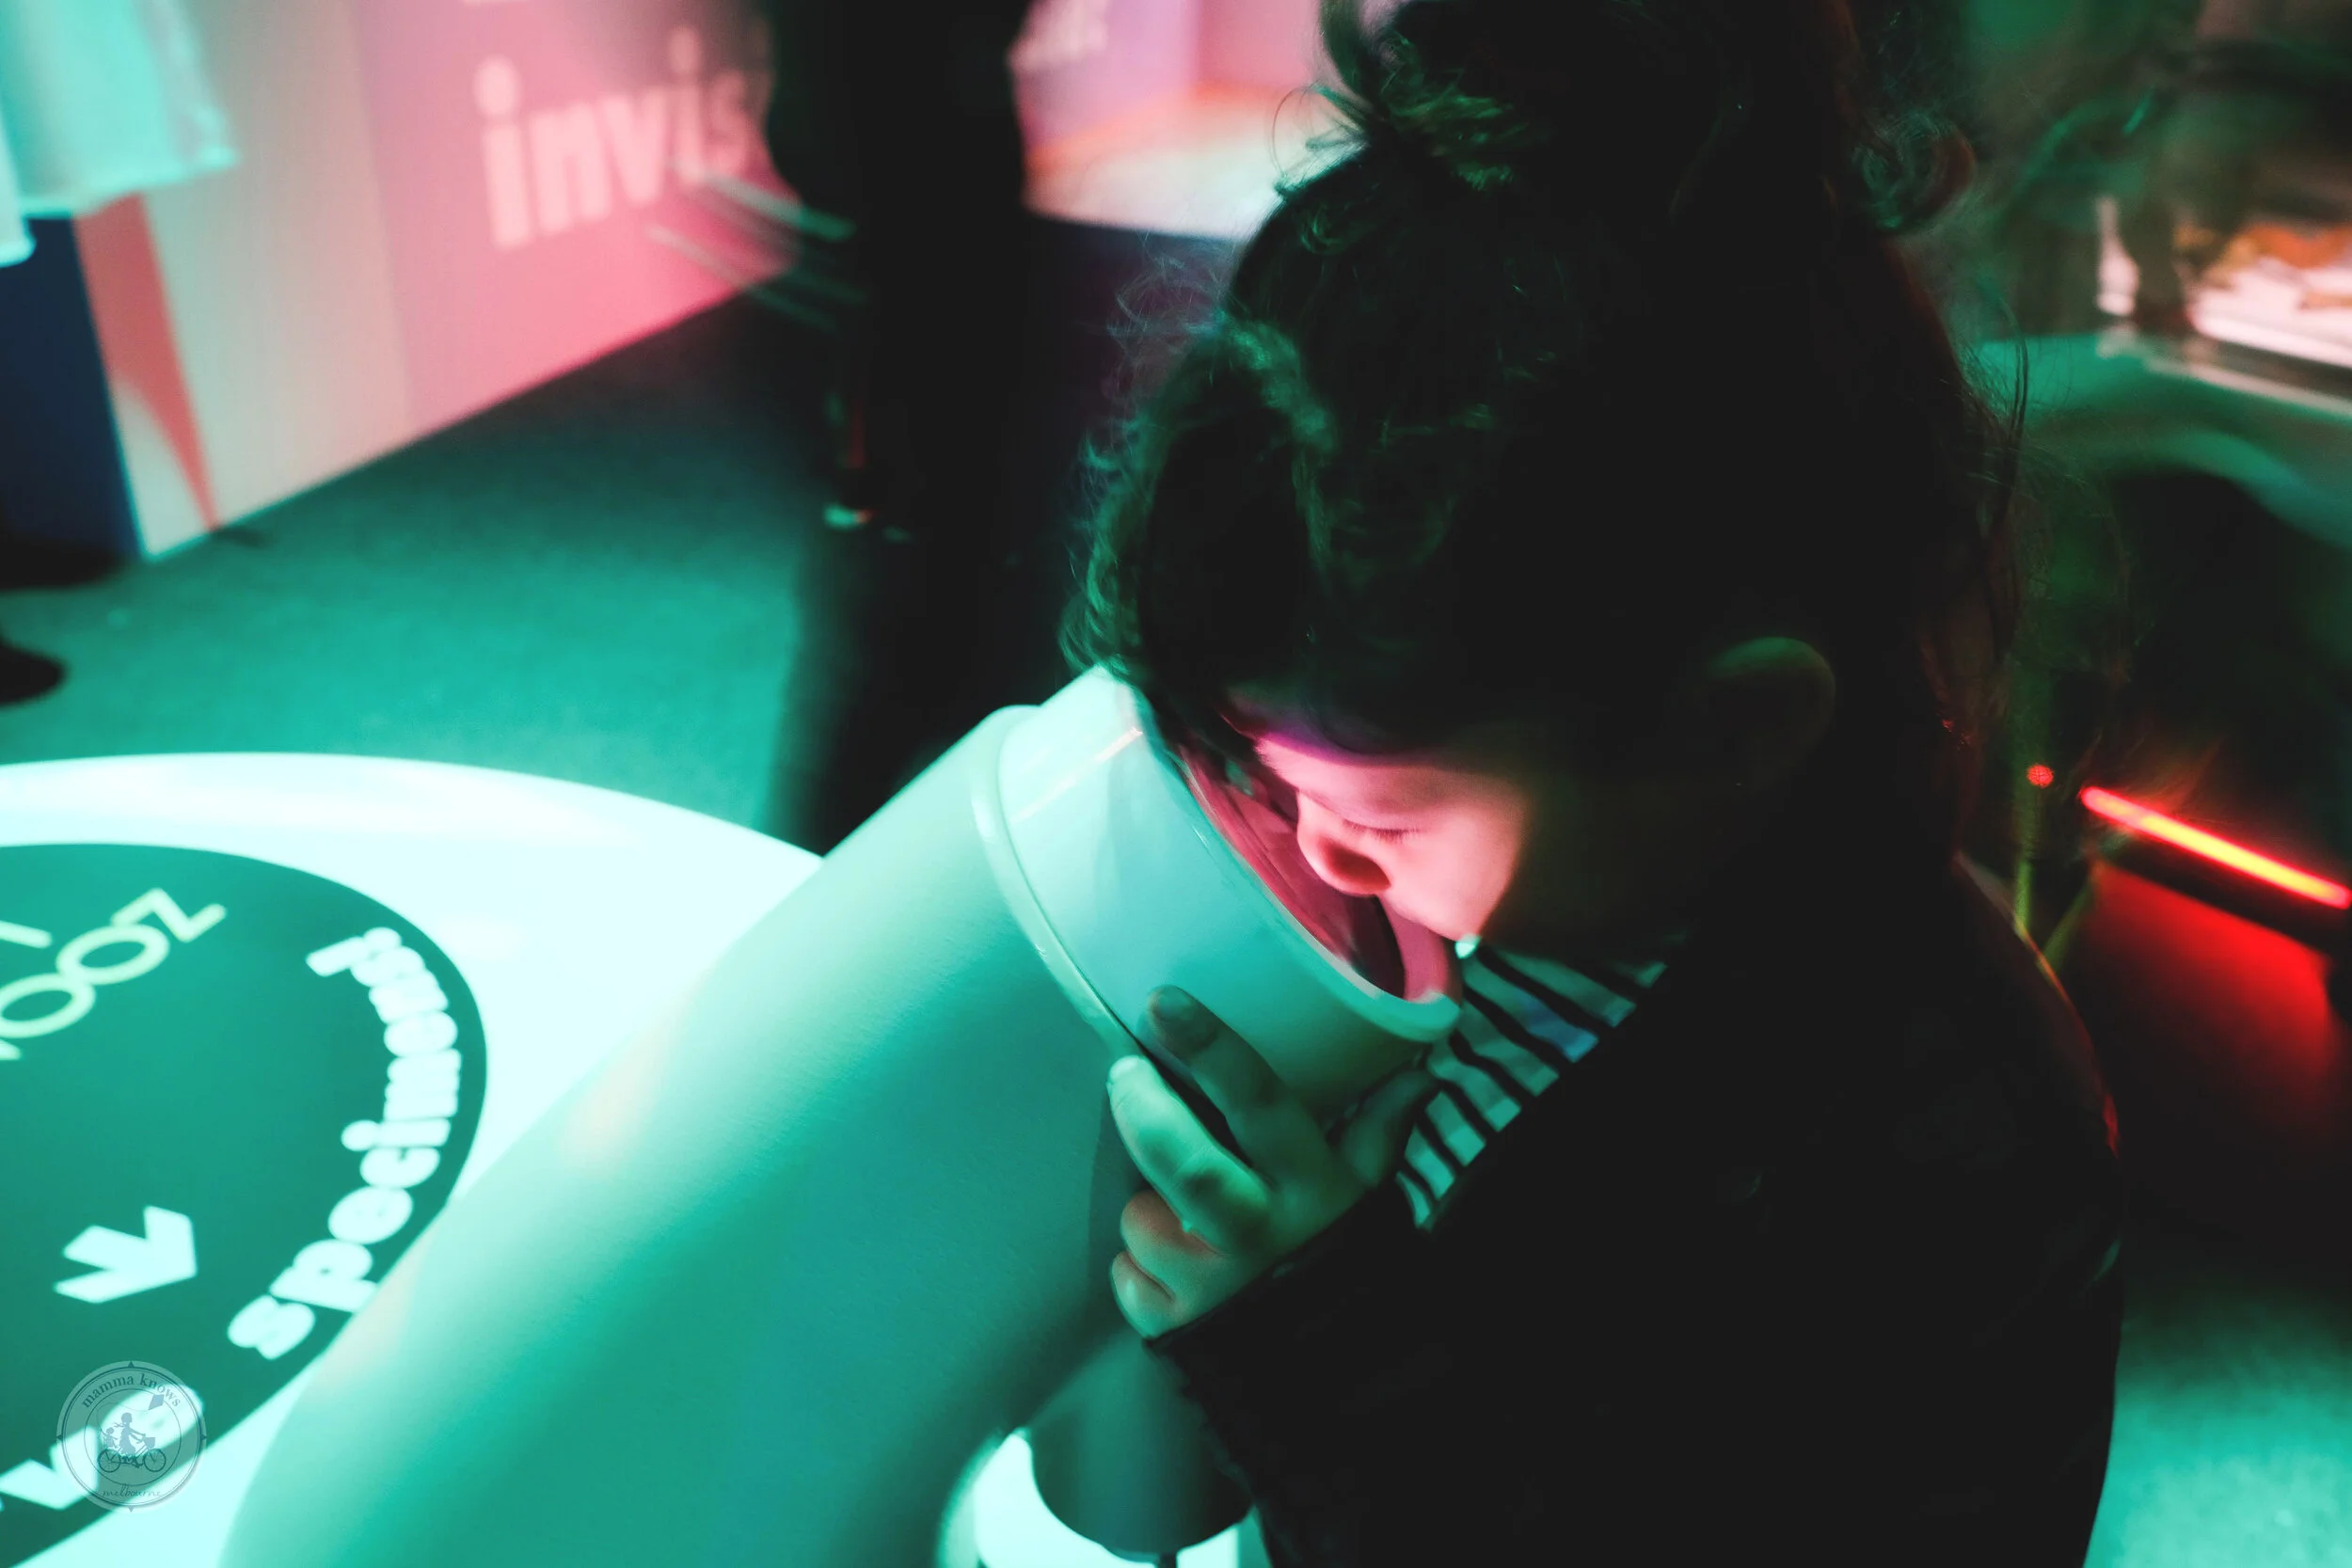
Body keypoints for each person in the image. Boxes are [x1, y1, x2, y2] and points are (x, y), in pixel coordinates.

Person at [1057, 0, 2129, 1562]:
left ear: (1733, 729)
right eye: (1268, 778)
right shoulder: (1492, 902)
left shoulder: (1946, 1140)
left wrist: (1317, 1347)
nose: (1313, 855)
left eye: (1377, 815)